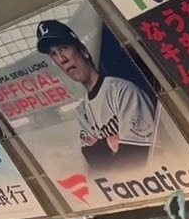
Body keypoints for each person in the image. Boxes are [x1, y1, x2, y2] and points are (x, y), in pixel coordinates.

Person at [35, 19, 157, 174]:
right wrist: (111, 142)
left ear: (84, 51)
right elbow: (94, 161)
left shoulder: (123, 91)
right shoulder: (82, 111)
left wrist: (101, 146)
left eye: (63, 48)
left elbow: (137, 155)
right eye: (53, 54)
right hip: (128, 184)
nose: (62, 59)